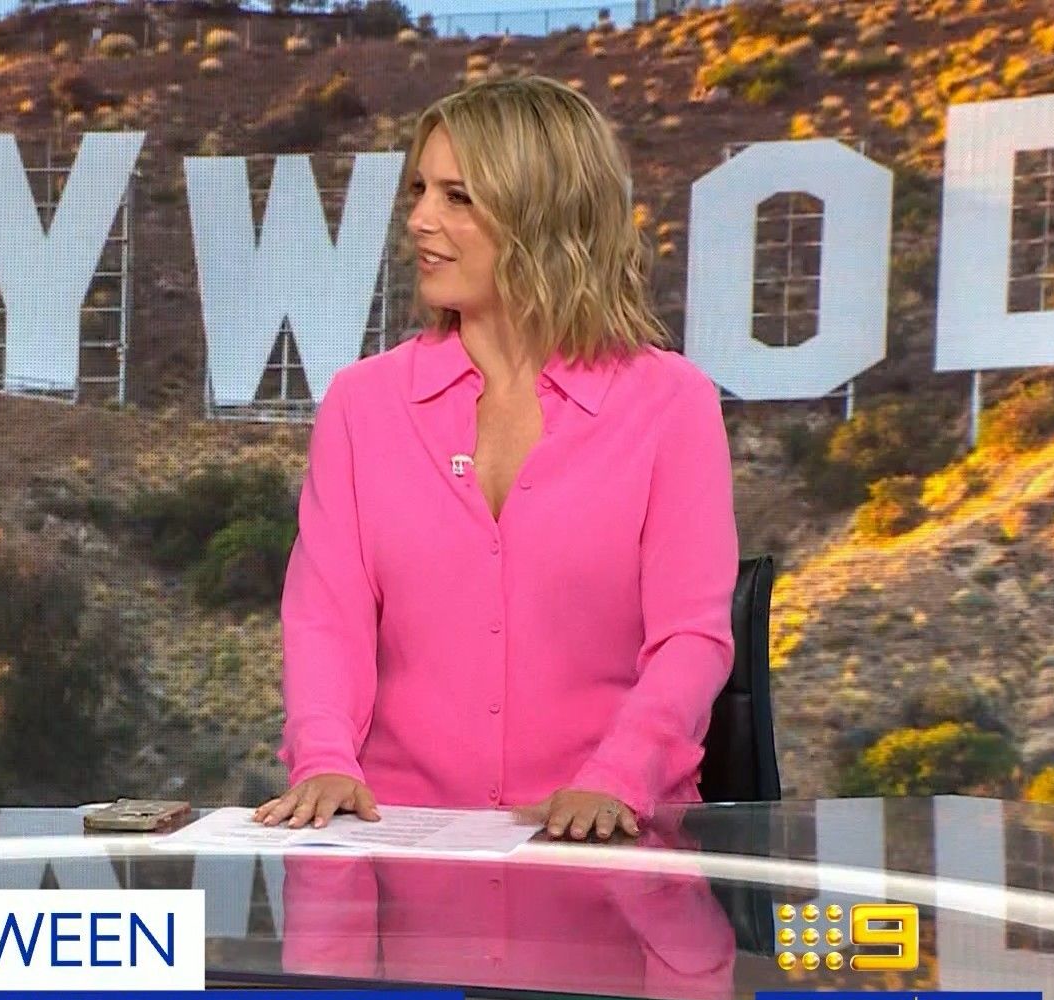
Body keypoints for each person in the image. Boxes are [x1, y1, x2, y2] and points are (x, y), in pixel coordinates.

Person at [256, 76, 737, 841]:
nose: (419, 219)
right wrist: (324, 760)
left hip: (614, 844)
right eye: (419, 190)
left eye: (457, 197)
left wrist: (615, 777)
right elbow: (325, 622)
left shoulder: (671, 403)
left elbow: (691, 637)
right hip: (400, 839)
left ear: (542, 213)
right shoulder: (362, 404)